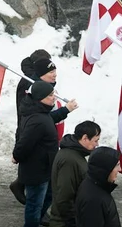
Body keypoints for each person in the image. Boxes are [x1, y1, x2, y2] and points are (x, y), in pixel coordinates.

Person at [11, 53, 76, 206]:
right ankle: (35, 210)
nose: (54, 75)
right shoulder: (31, 87)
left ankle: (35, 201)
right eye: (51, 72)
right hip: (35, 132)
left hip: (46, 132)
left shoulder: (44, 86)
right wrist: (65, 110)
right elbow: (40, 118)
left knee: (42, 170)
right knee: (39, 171)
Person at [13, 80, 60, 227]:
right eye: (50, 95)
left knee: (43, 200)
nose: (53, 97)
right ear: (40, 98)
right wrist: (16, 155)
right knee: (34, 204)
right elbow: (24, 142)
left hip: (43, 167)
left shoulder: (39, 112)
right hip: (36, 169)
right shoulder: (38, 119)